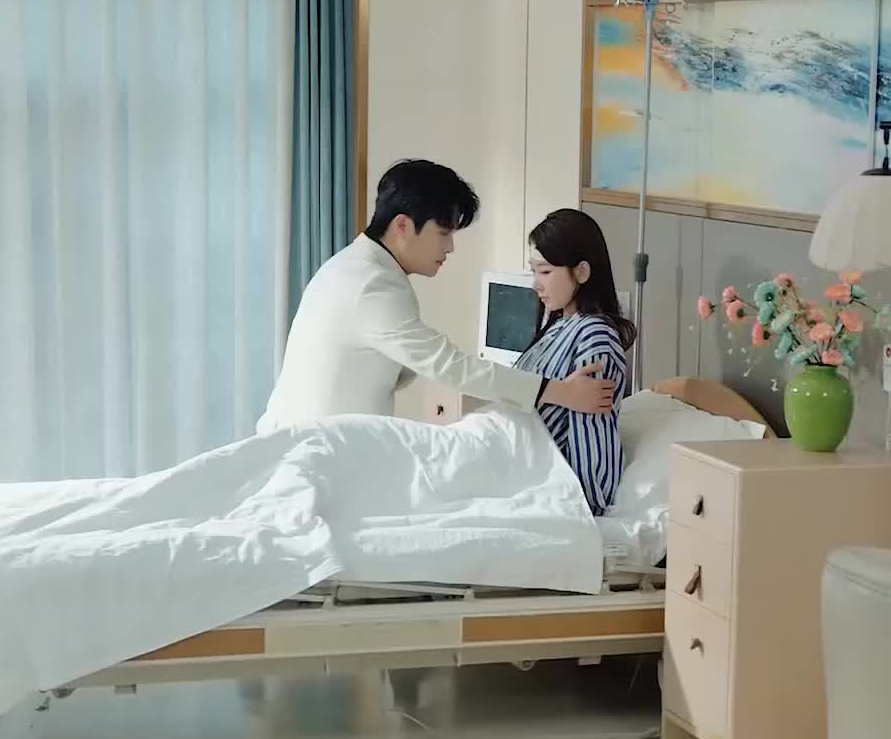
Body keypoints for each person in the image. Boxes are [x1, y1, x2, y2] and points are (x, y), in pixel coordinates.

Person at [259, 162, 614, 430]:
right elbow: (449, 366)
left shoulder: (355, 268)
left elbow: (416, 363)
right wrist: (560, 392)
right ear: (402, 226)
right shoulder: (370, 284)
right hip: (316, 454)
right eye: (443, 233)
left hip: (315, 445)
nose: (450, 248)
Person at [516, 208, 636, 515]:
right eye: (533, 271)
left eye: (545, 272)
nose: (535, 284)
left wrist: (583, 508)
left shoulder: (595, 338)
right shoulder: (557, 327)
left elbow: (592, 450)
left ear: (581, 272)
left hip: (528, 479)